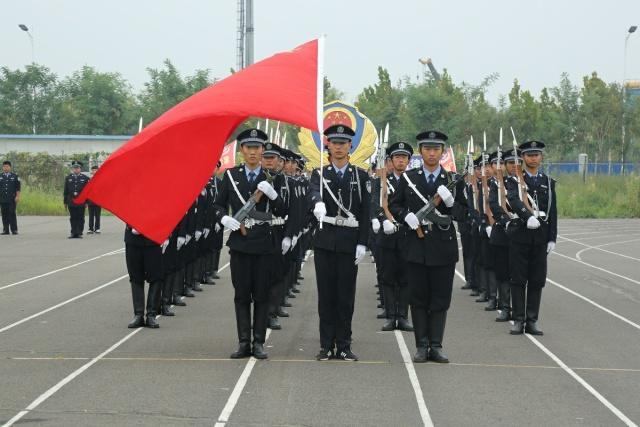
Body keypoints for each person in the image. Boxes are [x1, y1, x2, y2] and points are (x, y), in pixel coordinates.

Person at [213, 128, 287, 360]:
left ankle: (258, 343)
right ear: (242, 150)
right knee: (242, 294)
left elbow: (284, 211)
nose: (253, 152)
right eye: (249, 147)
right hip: (241, 244)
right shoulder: (231, 176)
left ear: (263, 150)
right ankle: (243, 341)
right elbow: (217, 205)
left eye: (257, 148)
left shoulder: (273, 177)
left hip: (264, 244)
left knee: (262, 295)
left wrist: (273, 195)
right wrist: (223, 218)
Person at [388, 130, 462, 363]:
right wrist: (405, 216)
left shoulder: (452, 180)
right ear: (420, 152)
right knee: (419, 297)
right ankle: (421, 346)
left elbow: (464, 213)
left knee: (440, 297)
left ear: (442, 152)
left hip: (442, 246)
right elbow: (394, 204)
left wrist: (450, 203)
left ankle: (436, 345)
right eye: (427, 149)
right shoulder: (409, 178)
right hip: (415, 246)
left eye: (436, 149)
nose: (432, 153)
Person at [310, 124, 370, 361]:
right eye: (334, 142)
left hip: (348, 243)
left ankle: (344, 344)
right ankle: (326, 345)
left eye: (343, 143)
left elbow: (366, 212)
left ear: (350, 146)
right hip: (325, 242)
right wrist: (317, 202)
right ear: (328, 145)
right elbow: (312, 192)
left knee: (345, 297)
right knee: (326, 296)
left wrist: (363, 243)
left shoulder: (361, 176)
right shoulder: (320, 174)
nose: (338, 147)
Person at [505, 140, 557, 335]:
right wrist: (527, 217)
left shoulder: (548, 182)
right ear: (523, 158)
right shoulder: (514, 180)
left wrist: (552, 238)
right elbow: (513, 199)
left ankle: (532, 320)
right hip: (521, 235)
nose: (533, 158)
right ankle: (518, 319)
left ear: (541, 157)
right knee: (518, 279)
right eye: (529, 155)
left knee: (537, 280)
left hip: (541, 236)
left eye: (536, 155)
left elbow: (553, 212)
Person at [371, 142, 414, 332]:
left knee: (405, 278)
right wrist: (381, 219)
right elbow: (374, 202)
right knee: (387, 277)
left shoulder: (413, 181)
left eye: (404, 157)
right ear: (391, 160)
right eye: (397, 157)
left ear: (408, 161)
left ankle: (402, 316)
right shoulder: (380, 180)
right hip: (387, 235)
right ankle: (390, 316)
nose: (401, 160)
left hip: (406, 234)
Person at [124, 225, 163, 328]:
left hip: (153, 238)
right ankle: (138, 314)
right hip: (133, 239)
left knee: (156, 277)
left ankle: (151, 315)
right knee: (135, 276)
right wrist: (131, 224)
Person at [63, 161, 89, 238]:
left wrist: (87, 202)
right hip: (71, 201)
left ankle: (79, 232)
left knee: (80, 217)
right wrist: (65, 202)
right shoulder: (68, 178)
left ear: (80, 169)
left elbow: (87, 191)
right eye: (74, 168)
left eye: (77, 168)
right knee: (73, 217)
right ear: (72, 169)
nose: (76, 169)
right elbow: (66, 191)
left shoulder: (85, 178)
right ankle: (73, 232)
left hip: (81, 201)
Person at [1, 160, 21, 235]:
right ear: (3, 167)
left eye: (7, 166)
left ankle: (14, 230)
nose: (5, 168)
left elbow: (18, 188)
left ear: (10, 167)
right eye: (4, 166)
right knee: (4, 214)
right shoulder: (0, 176)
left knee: (12, 213)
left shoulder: (15, 176)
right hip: (2, 199)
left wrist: (17, 196)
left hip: (12, 199)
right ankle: (5, 230)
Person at [87, 165, 102, 234]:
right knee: (91, 215)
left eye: (96, 170)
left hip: (98, 200)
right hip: (90, 200)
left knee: (97, 215)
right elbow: (87, 191)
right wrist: (86, 201)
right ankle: (90, 228)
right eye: (93, 170)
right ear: (91, 172)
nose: (94, 171)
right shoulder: (89, 180)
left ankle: (97, 228)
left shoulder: (101, 179)